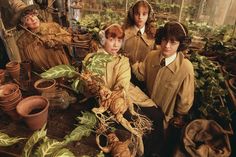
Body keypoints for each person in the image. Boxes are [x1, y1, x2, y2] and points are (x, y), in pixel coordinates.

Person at [85, 24, 164, 157]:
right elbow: (89, 82)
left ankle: (153, 151)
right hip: (102, 100)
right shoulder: (92, 59)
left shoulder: (122, 60)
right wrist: (99, 88)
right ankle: (136, 151)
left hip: (123, 94)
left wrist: (116, 94)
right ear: (103, 39)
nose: (116, 44)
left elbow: (123, 82)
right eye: (111, 39)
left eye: (119, 40)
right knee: (127, 123)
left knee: (156, 114)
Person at [132, 21, 195, 155]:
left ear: (181, 45)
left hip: (164, 122)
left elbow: (185, 101)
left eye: (173, 42)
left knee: (156, 149)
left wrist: (179, 116)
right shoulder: (152, 56)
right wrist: (130, 64)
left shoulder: (185, 68)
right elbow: (141, 74)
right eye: (165, 40)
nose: (167, 46)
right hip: (144, 112)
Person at [16, 4, 71, 72]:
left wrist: (55, 41)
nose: (33, 19)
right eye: (28, 19)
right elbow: (26, 62)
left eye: (33, 15)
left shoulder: (52, 26)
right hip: (42, 74)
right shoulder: (21, 41)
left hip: (63, 69)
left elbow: (69, 38)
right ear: (24, 25)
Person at [123, 0, 156, 64]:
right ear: (132, 15)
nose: (140, 17)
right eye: (137, 14)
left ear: (148, 15)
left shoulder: (152, 35)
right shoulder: (125, 32)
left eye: (144, 14)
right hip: (125, 70)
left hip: (144, 71)